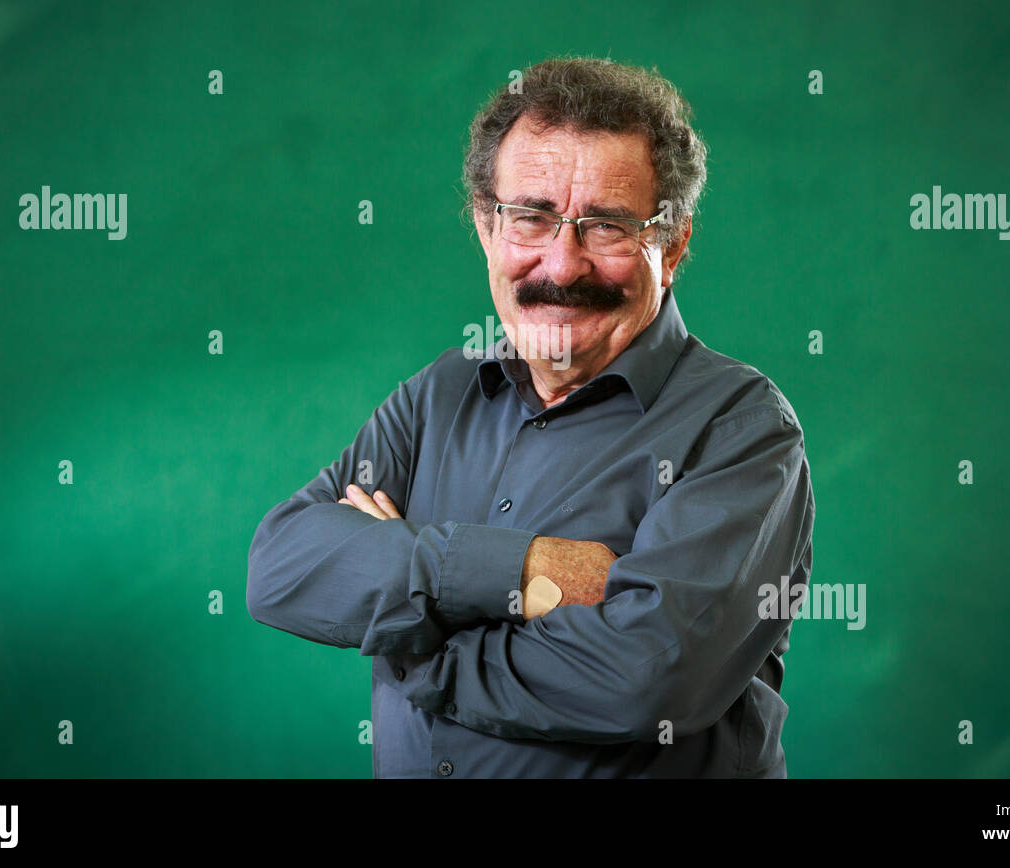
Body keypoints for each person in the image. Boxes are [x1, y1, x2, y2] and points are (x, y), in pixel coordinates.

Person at [246, 57, 815, 778]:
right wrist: (526, 568)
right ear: (487, 226)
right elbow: (282, 566)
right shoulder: (437, 397)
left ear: (672, 245)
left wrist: (418, 647)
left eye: (606, 226)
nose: (562, 264)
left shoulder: (741, 429)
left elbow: (648, 678)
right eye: (531, 217)